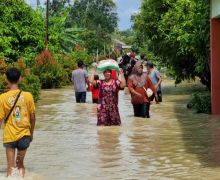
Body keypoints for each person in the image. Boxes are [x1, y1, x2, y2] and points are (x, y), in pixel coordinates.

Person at [0, 68, 36, 177]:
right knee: (20, 165)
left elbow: (0, 120)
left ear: (6, 79)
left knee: (10, 167)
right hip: (24, 135)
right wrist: (31, 133)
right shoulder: (28, 96)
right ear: (20, 78)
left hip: (9, 135)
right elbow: (33, 117)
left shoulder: (2, 98)